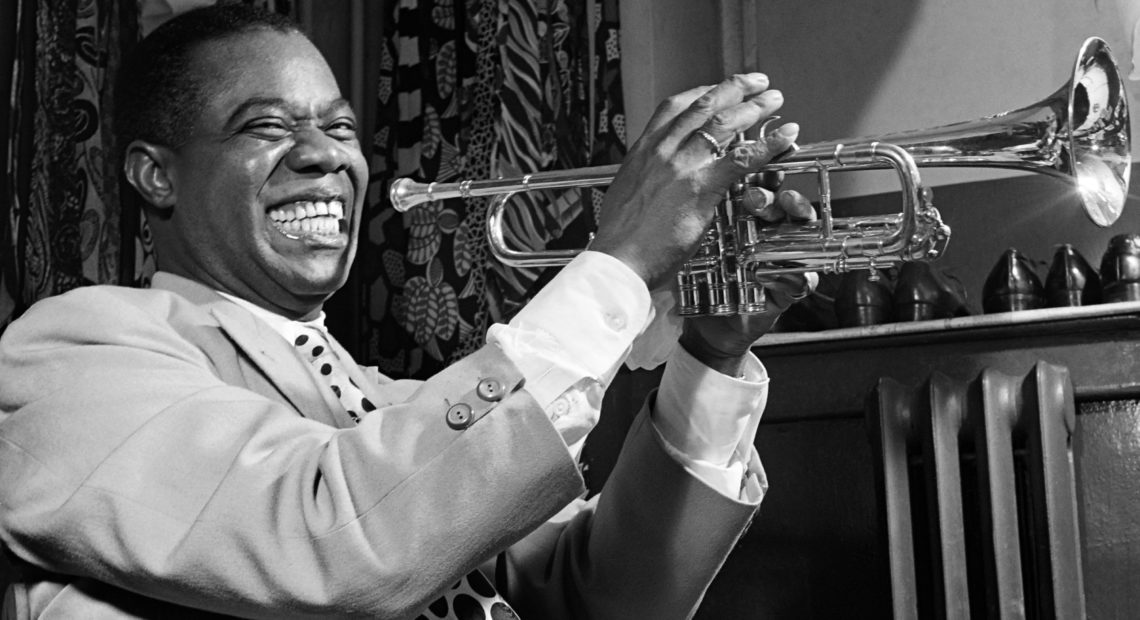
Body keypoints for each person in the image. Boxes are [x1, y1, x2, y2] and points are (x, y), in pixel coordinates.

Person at [0, 4, 815, 619]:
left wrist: (709, 354)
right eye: (267, 127)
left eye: (341, 128)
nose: (325, 155)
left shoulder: (386, 403)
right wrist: (621, 262)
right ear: (155, 176)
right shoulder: (69, 354)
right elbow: (334, 538)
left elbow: (605, 597)